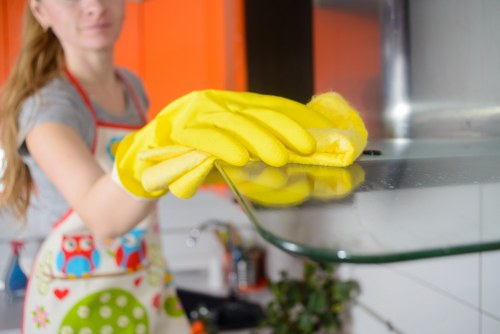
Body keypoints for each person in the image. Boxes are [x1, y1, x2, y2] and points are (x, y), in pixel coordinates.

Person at [0, 0, 191, 332]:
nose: (94, 6)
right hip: (76, 305)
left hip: (145, 284)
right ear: (41, 12)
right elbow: (104, 216)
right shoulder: (48, 107)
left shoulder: (131, 87)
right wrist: (187, 148)